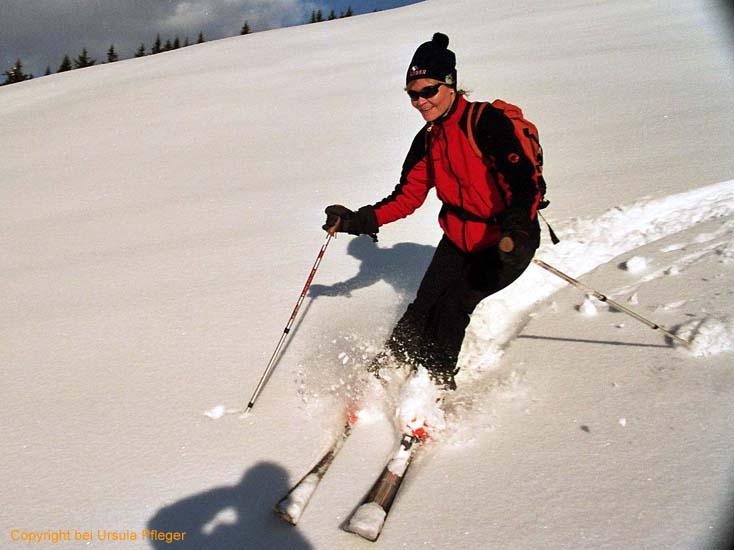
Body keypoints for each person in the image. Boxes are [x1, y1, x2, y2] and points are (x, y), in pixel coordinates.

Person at [323, 32, 543, 390]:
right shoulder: (429, 138)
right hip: (459, 235)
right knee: (423, 304)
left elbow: (523, 183)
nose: (420, 101)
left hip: (506, 240)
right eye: (413, 94)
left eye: (429, 91)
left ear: (451, 85)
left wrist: (516, 229)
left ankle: (436, 385)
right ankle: (391, 364)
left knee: (454, 306)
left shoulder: (485, 122)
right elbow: (407, 196)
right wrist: (357, 220)